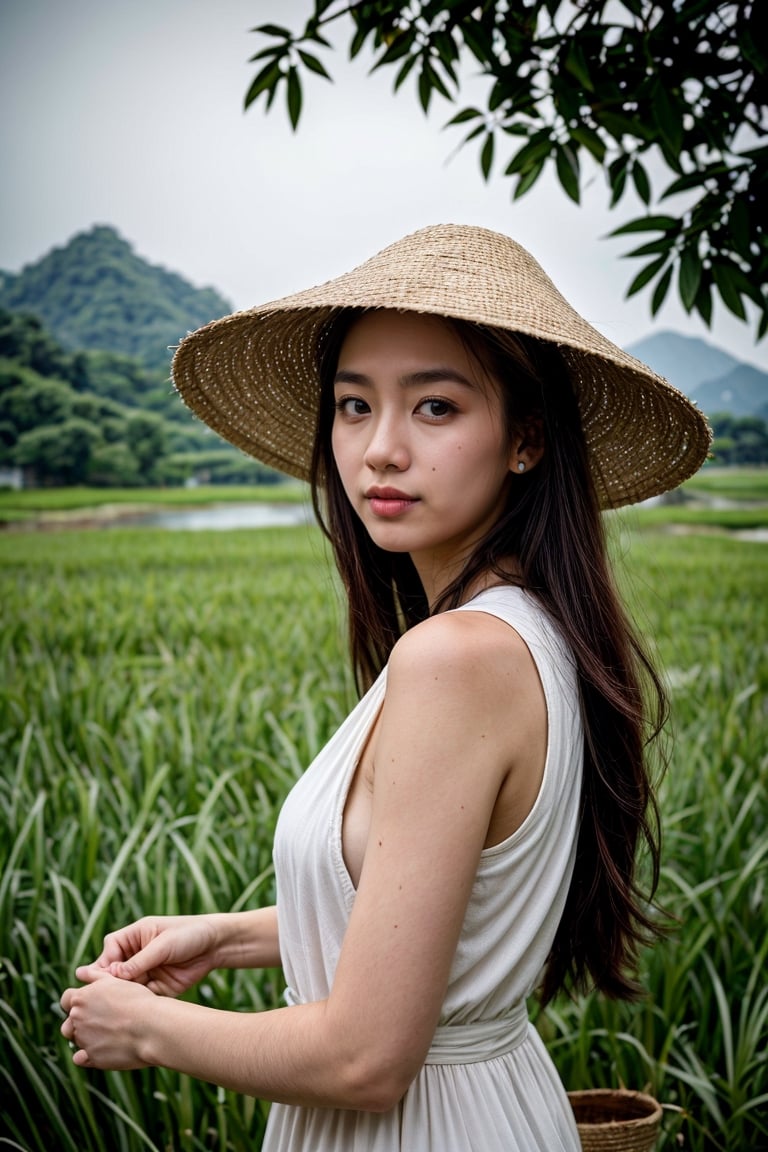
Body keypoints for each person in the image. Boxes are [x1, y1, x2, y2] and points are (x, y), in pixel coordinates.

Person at [60, 224, 711, 1150]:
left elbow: (366, 1058)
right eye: (354, 406)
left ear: (525, 438)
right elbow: (436, 904)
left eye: (435, 408)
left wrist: (147, 1028)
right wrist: (228, 937)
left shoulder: (456, 658)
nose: (379, 451)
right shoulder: (525, 626)